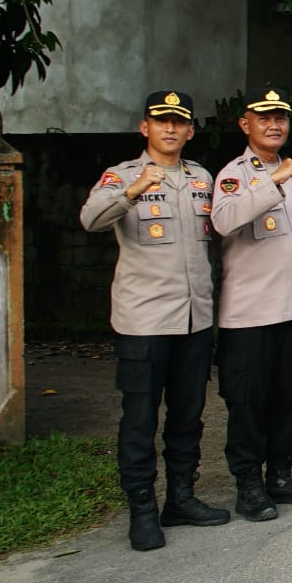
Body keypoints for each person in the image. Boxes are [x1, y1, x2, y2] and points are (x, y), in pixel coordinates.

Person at [79, 90, 230, 550]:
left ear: (190, 131)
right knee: (140, 418)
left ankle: (180, 498)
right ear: (145, 127)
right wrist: (133, 191)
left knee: (188, 415)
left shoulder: (202, 178)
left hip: (194, 319)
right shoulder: (123, 175)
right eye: (161, 121)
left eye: (179, 122)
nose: (170, 129)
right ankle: (142, 508)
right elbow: (90, 220)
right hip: (144, 321)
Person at [210, 88, 292, 522]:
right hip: (250, 316)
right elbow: (223, 221)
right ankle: (248, 483)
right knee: (248, 403)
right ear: (246, 125)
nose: (274, 125)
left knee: (290, 399)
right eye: (265, 118)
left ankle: (280, 474)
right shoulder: (234, 175)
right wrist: (271, 181)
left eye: (281, 118)